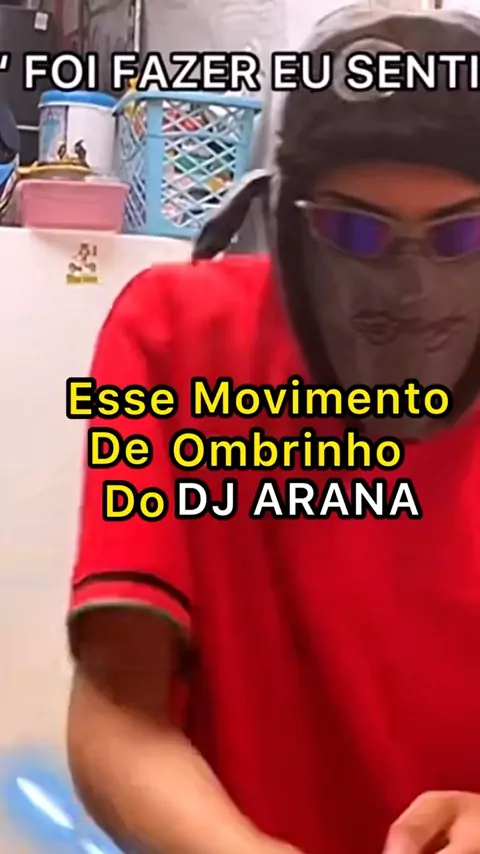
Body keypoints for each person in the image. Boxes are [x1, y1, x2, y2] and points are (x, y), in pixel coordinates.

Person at [67, 8, 480, 854]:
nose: (411, 292)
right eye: (355, 231)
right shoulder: (176, 343)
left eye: (464, 233)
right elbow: (117, 707)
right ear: (285, 223)